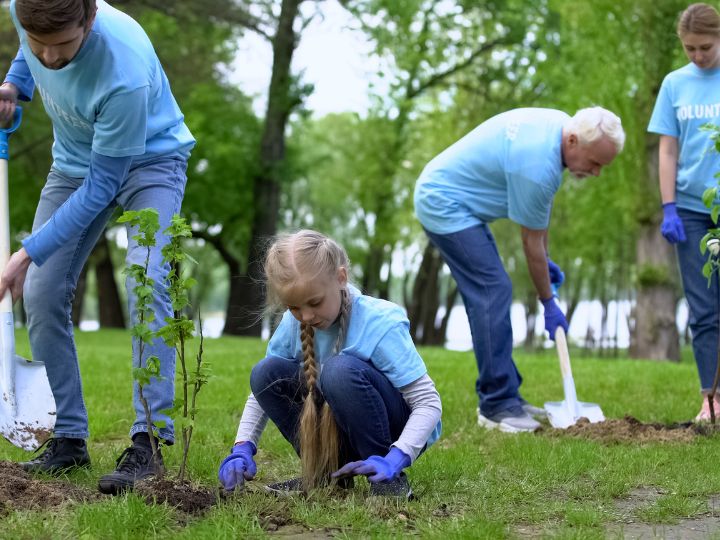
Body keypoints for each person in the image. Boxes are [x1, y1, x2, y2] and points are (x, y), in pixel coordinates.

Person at [0, 0, 195, 493]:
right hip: (73, 163)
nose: (49, 57)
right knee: (41, 296)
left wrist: (26, 253)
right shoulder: (32, 20)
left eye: (62, 45)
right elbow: (31, 51)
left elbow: (101, 190)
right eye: (36, 42)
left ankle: (148, 443)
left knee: (146, 281)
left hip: (150, 162)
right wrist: (13, 87)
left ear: (88, 20)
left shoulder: (122, 71)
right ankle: (67, 439)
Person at [414, 106, 624, 433]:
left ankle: (507, 393)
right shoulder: (537, 166)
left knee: (492, 290)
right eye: (595, 162)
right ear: (573, 140)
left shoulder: (559, 127)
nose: (596, 172)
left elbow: (539, 222)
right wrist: (548, 302)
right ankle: (496, 404)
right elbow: (531, 244)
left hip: (456, 200)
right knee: (491, 290)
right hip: (443, 202)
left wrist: (546, 258)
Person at [217, 230, 442, 499]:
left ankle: (386, 481)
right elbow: (261, 391)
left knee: (338, 371)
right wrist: (242, 447)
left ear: (340, 278)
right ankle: (326, 474)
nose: (307, 316)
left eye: (315, 302)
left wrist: (396, 456)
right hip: (341, 431)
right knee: (266, 373)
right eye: (294, 307)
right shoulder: (294, 324)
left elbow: (428, 402)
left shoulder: (380, 322)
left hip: (391, 436)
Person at [649, 3, 720, 422]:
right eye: (690, 48)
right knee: (704, 307)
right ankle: (711, 401)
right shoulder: (675, 84)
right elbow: (668, 148)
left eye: (705, 47)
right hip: (692, 210)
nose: (697, 55)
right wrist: (669, 205)